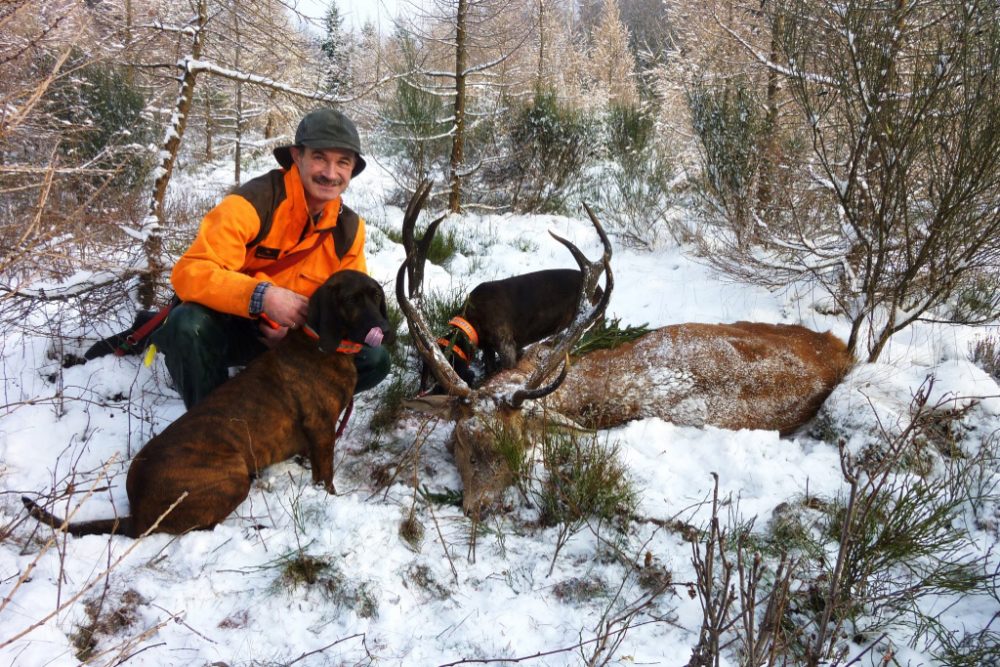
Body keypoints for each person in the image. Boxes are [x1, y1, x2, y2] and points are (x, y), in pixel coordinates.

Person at [150, 108, 391, 409]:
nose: (330, 173)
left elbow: (351, 311)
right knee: (188, 324)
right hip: (231, 330)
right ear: (297, 156)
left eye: (342, 162)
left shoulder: (349, 230)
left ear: (352, 169)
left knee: (374, 359)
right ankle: (213, 422)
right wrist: (262, 297)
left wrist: (299, 338)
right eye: (319, 157)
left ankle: (286, 416)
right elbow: (191, 272)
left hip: (294, 341)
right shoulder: (252, 203)